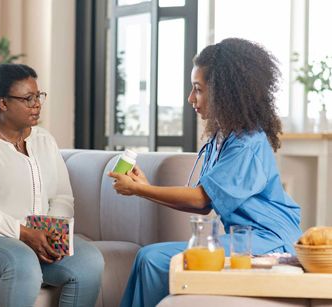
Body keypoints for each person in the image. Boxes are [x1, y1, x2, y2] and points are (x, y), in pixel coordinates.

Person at [108, 38, 302, 307]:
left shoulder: (248, 144)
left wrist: (140, 189)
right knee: (147, 257)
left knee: (153, 259)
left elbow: (200, 199)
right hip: (245, 238)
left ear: (224, 92)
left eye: (197, 89)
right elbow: (203, 205)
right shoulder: (223, 137)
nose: (190, 98)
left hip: (269, 242)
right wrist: (143, 188)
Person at [0, 63, 104, 307]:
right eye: (28, 98)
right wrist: (24, 234)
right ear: (3, 103)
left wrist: (52, 233)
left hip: (34, 236)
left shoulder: (44, 140)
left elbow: (61, 196)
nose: (37, 104)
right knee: (22, 263)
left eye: (38, 96)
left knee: (89, 261)